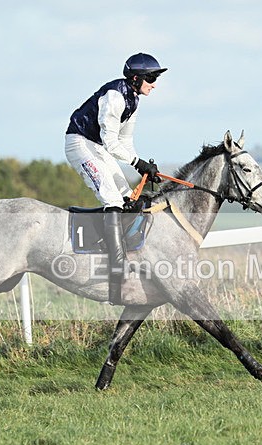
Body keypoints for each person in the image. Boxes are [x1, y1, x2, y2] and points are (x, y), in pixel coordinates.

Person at [65, 52, 167, 304]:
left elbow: (125, 142)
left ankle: (127, 252)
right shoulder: (115, 96)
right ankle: (116, 265)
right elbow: (111, 142)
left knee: (126, 196)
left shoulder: (134, 99)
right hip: (80, 143)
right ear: (136, 78)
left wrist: (141, 166)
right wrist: (137, 163)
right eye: (151, 78)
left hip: (98, 146)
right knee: (111, 198)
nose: (154, 83)